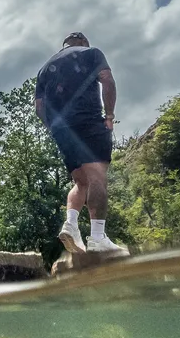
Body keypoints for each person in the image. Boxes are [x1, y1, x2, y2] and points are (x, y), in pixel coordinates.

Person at [35, 31, 127, 255]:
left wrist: (55, 130)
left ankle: (71, 225)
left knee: (80, 182)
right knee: (97, 177)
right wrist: (110, 115)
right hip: (88, 120)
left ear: (64, 45)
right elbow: (107, 80)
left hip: (60, 128)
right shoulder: (91, 53)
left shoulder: (45, 68)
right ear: (84, 43)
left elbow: (39, 108)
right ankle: (97, 238)